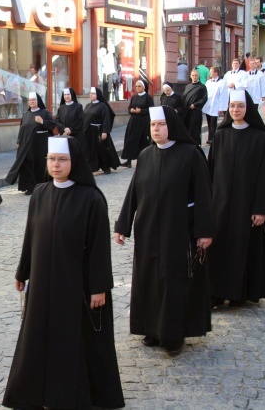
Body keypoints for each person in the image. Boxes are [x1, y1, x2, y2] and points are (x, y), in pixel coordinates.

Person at [3, 136, 125, 409]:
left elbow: (98, 248)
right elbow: (31, 236)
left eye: (61, 160)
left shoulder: (91, 198)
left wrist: (99, 287)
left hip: (75, 285)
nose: (55, 165)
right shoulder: (40, 193)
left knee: (74, 340)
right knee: (38, 337)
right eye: (51, 159)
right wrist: (22, 271)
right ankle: (35, 392)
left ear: (74, 161)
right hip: (43, 283)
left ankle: (71, 395)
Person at [114, 106, 213, 356]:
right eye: (152, 125)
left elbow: (204, 195)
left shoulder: (191, 153)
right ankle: (151, 329)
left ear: (172, 125)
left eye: (160, 124)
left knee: (173, 281)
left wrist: (204, 231)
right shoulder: (146, 155)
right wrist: (123, 225)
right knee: (147, 279)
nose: (155, 129)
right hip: (147, 230)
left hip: (178, 229)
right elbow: (134, 191)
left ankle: (173, 334)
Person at [208, 90, 265, 307]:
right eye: (232, 106)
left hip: (246, 206)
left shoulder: (259, 137)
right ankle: (216, 293)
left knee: (242, 247)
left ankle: (240, 293)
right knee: (217, 248)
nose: (236, 110)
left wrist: (261, 209)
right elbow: (210, 172)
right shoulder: (220, 135)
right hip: (220, 204)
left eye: (240, 106)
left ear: (248, 108)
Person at [5, 92, 55, 195]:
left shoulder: (44, 113)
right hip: (25, 144)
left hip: (39, 144)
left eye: (34, 100)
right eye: (30, 100)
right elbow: (22, 129)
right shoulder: (26, 114)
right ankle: (28, 187)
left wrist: (42, 121)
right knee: (27, 165)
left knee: (38, 165)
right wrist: (19, 141)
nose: (32, 102)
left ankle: (39, 186)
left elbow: (52, 125)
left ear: (38, 101)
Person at [85, 87, 121, 174]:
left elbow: (106, 119)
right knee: (91, 150)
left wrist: (105, 131)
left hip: (98, 131)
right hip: (89, 131)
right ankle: (92, 167)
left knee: (102, 150)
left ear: (97, 95)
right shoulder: (88, 106)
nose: (91, 95)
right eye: (90, 93)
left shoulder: (102, 106)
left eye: (93, 94)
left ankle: (106, 166)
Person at [121, 80, 154, 168]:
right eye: (136, 86)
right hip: (133, 121)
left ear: (143, 87)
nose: (137, 88)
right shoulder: (134, 97)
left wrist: (141, 111)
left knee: (142, 141)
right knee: (130, 139)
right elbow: (129, 108)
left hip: (143, 122)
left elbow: (151, 109)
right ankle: (128, 160)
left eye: (139, 86)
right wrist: (131, 110)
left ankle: (142, 160)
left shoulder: (148, 97)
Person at [55, 87, 90, 167]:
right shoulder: (61, 108)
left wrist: (70, 130)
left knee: (76, 156)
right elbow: (57, 120)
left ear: (72, 95)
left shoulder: (78, 107)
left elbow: (80, 121)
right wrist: (64, 129)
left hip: (76, 136)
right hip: (64, 135)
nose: (66, 96)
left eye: (68, 94)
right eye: (65, 95)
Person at [202, 66, 229, 145]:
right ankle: (210, 137)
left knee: (213, 123)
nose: (210, 73)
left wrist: (221, 108)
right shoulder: (208, 82)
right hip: (208, 104)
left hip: (216, 105)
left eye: (211, 72)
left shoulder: (222, 82)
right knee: (209, 121)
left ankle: (212, 138)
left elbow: (223, 95)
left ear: (216, 73)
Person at [182, 69, 208, 145]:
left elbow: (204, 98)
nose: (194, 77)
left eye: (196, 75)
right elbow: (184, 97)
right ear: (190, 76)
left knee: (195, 129)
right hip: (187, 111)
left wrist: (195, 105)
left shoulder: (202, 87)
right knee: (186, 128)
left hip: (196, 111)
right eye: (193, 75)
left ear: (198, 76)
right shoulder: (187, 86)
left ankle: (195, 145)